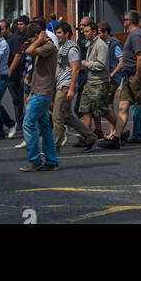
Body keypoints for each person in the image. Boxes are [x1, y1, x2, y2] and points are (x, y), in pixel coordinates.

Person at [98, 9, 141, 149]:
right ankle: (117, 138)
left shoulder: (136, 35)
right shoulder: (133, 34)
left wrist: (138, 77)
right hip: (128, 76)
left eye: (125, 20)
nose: (124, 22)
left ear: (129, 21)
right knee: (123, 106)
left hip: (135, 76)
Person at [19, 18, 60, 172]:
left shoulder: (48, 46)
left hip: (43, 92)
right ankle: (51, 160)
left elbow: (28, 51)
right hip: (38, 90)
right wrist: (30, 93)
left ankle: (35, 160)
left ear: (38, 35)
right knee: (44, 128)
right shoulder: (42, 45)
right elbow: (36, 73)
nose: (30, 42)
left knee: (28, 124)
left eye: (31, 39)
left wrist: (39, 40)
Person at [52, 21, 97, 151]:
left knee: (57, 117)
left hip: (66, 86)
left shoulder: (72, 48)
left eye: (60, 33)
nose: (57, 35)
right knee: (67, 116)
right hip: (61, 84)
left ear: (67, 34)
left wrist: (71, 89)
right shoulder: (62, 47)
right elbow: (60, 68)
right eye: (57, 32)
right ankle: (90, 137)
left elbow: (76, 69)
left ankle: (55, 147)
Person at [78, 20, 111, 141]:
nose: (85, 33)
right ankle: (86, 136)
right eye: (84, 31)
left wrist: (86, 64)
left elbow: (101, 65)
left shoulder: (100, 45)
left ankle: (119, 129)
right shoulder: (89, 43)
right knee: (85, 108)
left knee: (102, 110)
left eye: (87, 31)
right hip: (90, 81)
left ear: (94, 32)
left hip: (100, 82)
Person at [3, 16, 27, 138]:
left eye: (22, 24)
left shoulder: (14, 39)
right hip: (9, 74)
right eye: (18, 24)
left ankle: (20, 122)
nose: (19, 26)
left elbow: (17, 56)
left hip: (16, 74)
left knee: (18, 99)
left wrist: (9, 71)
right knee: (16, 99)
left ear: (7, 28)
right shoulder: (6, 40)